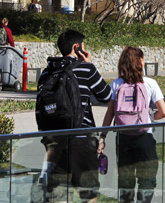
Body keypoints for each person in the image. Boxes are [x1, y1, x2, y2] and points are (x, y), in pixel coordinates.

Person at [36, 29, 111, 203]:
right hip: (82, 140)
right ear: (76, 47)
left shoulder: (47, 73)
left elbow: (40, 109)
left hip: (54, 141)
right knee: (88, 193)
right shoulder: (86, 69)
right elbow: (106, 96)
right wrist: (90, 64)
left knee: (58, 192)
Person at [100, 46, 165, 203]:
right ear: (141, 61)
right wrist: (149, 117)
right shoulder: (150, 83)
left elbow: (110, 114)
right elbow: (163, 112)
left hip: (123, 138)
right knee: (147, 180)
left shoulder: (116, 84)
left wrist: (102, 136)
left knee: (125, 181)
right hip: (145, 137)